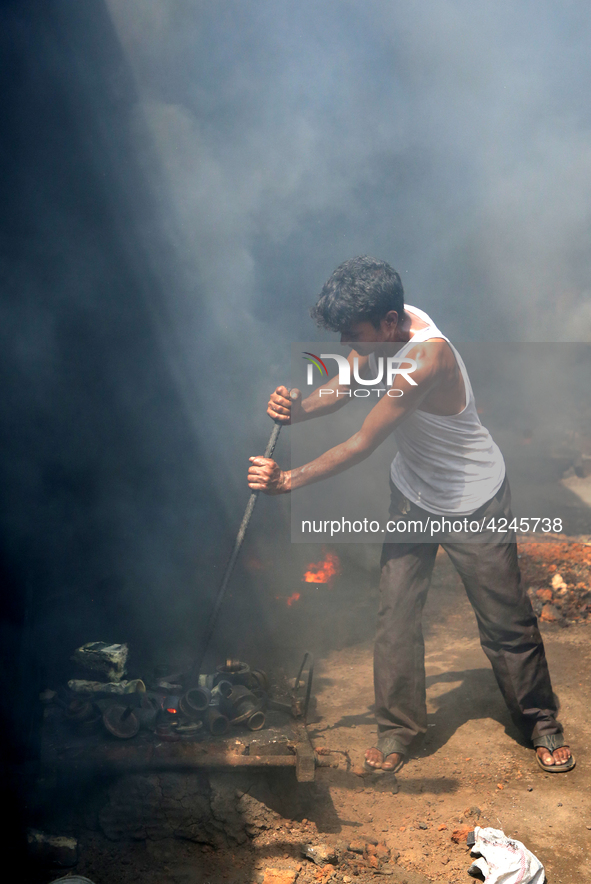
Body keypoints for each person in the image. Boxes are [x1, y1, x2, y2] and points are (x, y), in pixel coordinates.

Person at [247, 256, 574, 774]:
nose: (348, 346)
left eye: (355, 334)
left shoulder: (426, 359)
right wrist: (300, 407)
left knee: (505, 623)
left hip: (473, 500)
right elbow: (345, 384)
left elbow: (362, 442)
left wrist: (288, 481)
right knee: (396, 616)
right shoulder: (385, 326)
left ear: (390, 323)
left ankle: (541, 721)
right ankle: (399, 729)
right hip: (413, 494)